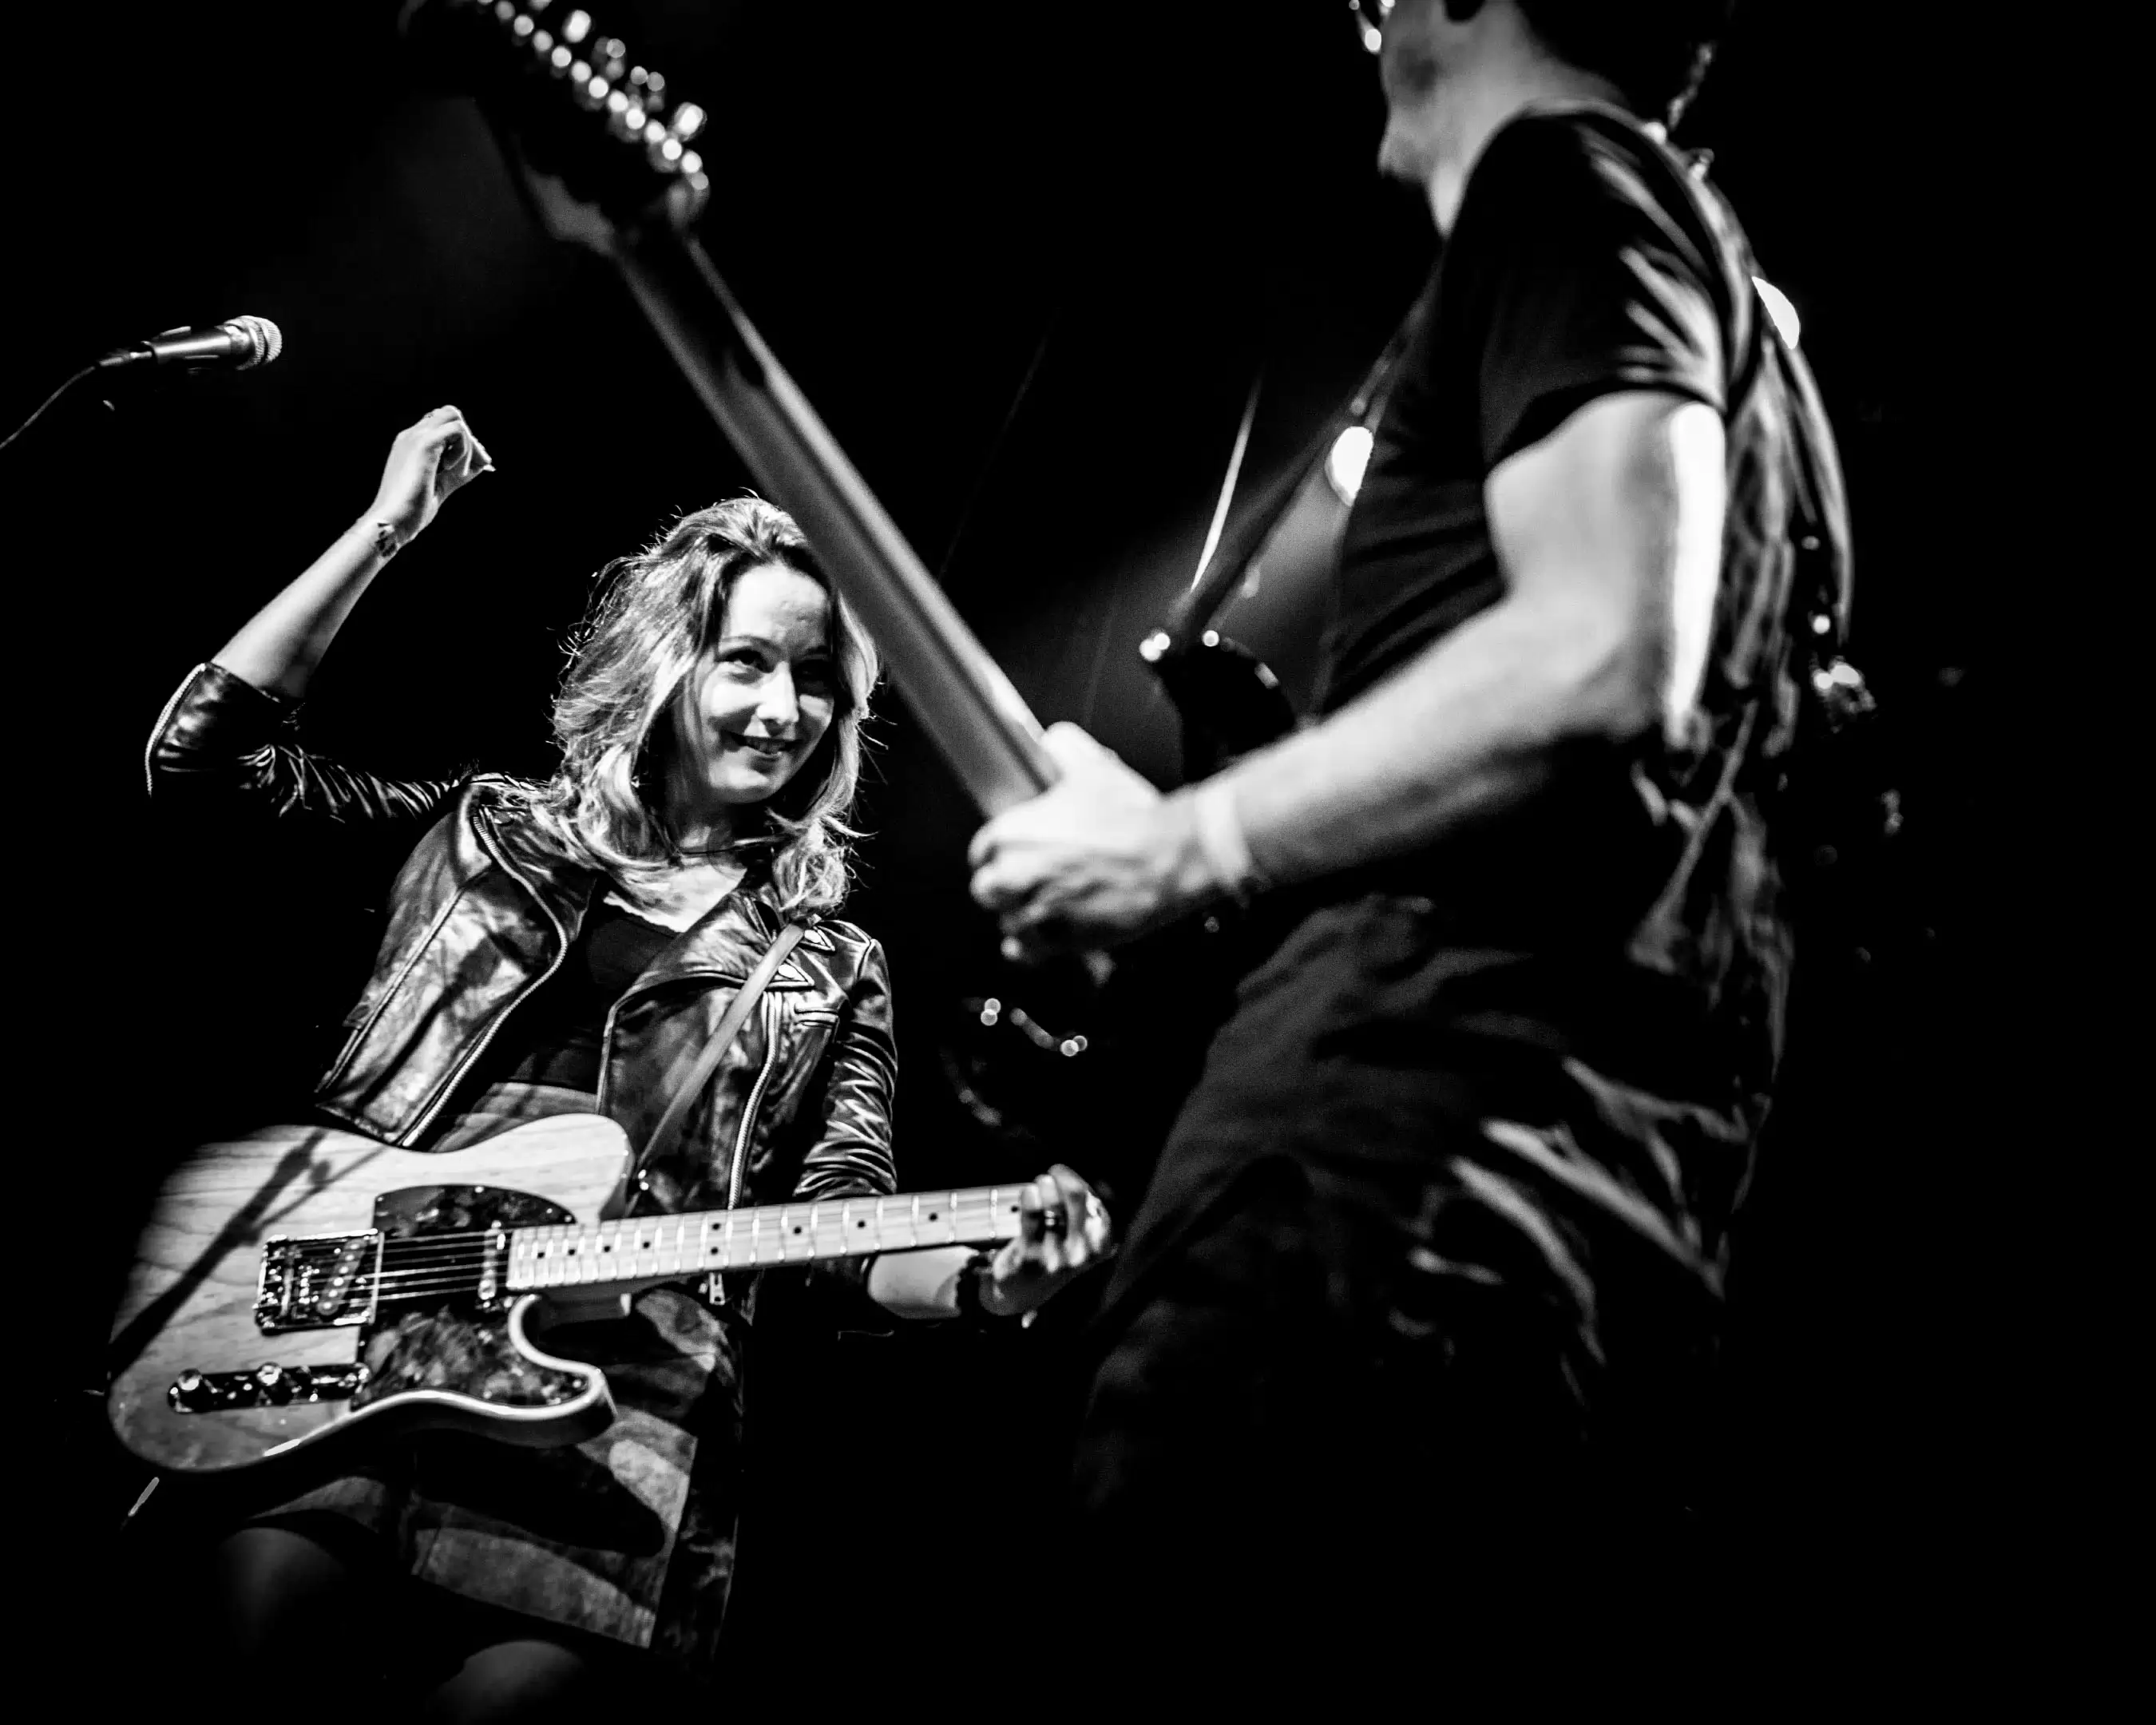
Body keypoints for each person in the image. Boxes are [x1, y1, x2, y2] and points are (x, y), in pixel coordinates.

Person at [967, 0, 1843, 1688]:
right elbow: (1593, 825)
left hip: (1371, 1219)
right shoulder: (1760, 357)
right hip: (1561, 1251)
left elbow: (1602, 655)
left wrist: (1186, 849)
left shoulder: (1563, 182)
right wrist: (1180, 849)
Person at [142, 405, 1112, 1717]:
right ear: (665, 662)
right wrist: (387, 533)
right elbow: (207, 764)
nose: (788, 709)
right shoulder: (483, 833)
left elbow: (833, 1228)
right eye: (748, 661)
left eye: (817, 676)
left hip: (621, 1400)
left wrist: (995, 1280)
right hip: (355, 1318)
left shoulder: (827, 962)